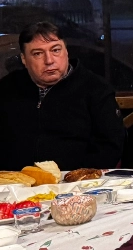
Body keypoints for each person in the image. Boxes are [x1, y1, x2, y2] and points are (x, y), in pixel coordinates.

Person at [0, 22, 125, 171]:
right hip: (15, 180)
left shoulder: (96, 89)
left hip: (78, 180)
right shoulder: (6, 88)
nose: (49, 60)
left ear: (66, 51)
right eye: (38, 53)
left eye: (55, 50)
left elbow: (110, 147)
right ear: (24, 59)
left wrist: (75, 176)